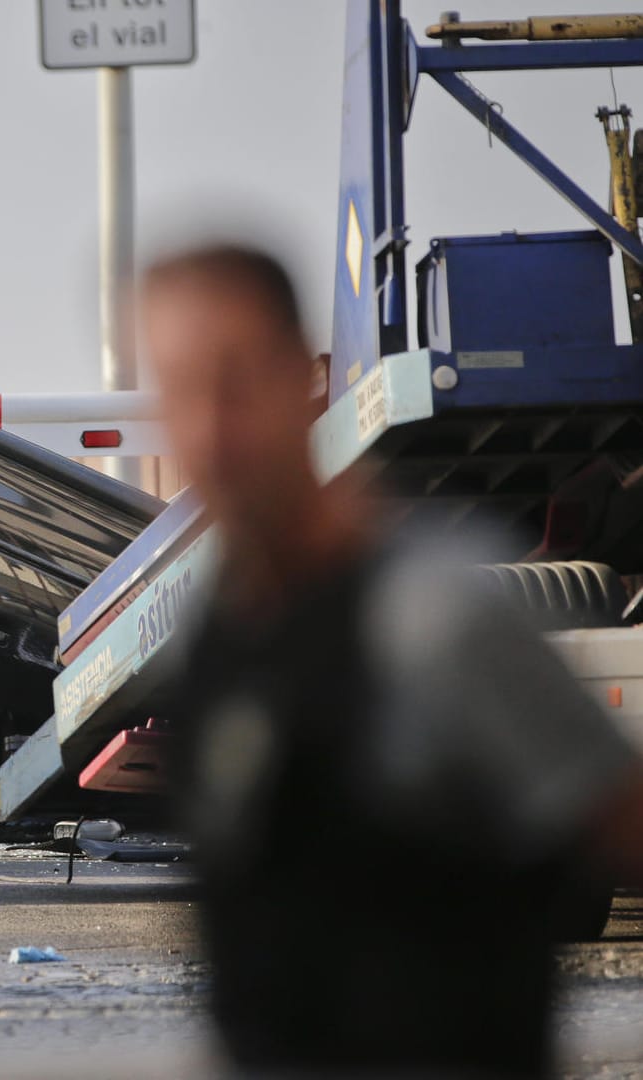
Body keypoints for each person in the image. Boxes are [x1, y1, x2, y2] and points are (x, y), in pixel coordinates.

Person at [143, 243, 643, 1078]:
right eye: (182, 391)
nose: (211, 429)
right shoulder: (216, 634)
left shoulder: (431, 618)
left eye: (237, 383)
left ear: (305, 381)